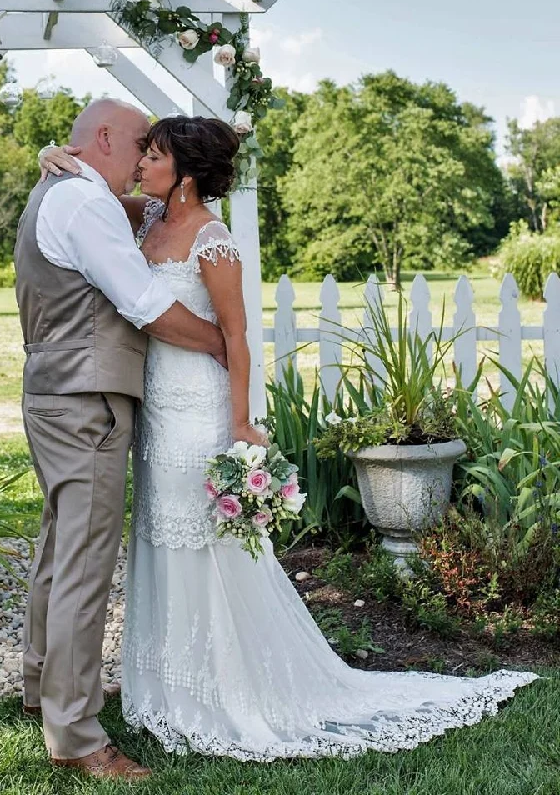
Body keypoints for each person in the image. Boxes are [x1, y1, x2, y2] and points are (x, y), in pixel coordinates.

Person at [38, 112, 537, 762]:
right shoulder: (146, 218)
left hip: (200, 411)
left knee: (209, 544)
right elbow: (92, 188)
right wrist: (55, 152)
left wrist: (242, 424)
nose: (141, 165)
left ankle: (228, 690)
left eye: (154, 157)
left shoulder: (213, 241)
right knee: (161, 540)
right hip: (155, 410)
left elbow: (239, 336)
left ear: (185, 173)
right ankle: (166, 685)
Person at [14, 99, 229, 781]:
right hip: (88, 400)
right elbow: (144, 305)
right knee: (82, 562)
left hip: (59, 391)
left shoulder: (70, 191)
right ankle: (76, 735)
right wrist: (224, 344)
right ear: (103, 138)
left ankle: (44, 687)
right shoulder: (83, 204)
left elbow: (142, 209)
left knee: (60, 546)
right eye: (138, 145)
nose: (141, 162)